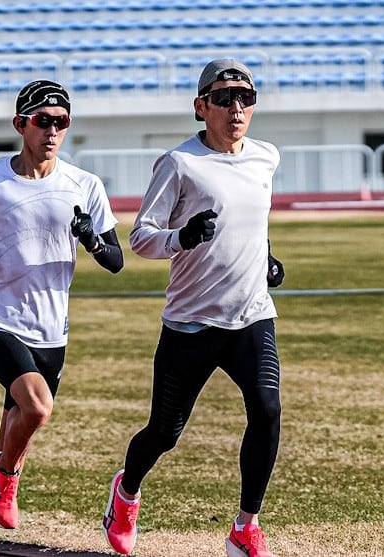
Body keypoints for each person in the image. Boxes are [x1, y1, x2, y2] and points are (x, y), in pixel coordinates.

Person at [0, 80, 124, 557]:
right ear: (21, 125)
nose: (52, 130)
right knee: (37, 408)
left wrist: (92, 240)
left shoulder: (85, 185)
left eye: (61, 122)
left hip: (51, 326)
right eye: (43, 121)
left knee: (15, 428)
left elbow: (116, 259)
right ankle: (7, 479)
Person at [102, 59, 284, 557]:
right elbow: (140, 238)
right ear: (201, 106)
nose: (237, 107)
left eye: (246, 97)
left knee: (267, 411)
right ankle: (126, 493)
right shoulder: (179, 163)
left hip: (252, 315)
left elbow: (252, 225)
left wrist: (267, 259)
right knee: (164, 433)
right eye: (224, 98)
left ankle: (245, 527)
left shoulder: (265, 157)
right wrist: (181, 238)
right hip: (190, 323)